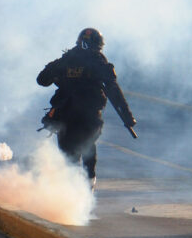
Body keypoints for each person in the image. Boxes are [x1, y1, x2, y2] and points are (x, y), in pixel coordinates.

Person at [37, 27, 136, 188]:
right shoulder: (98, 61)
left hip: (64, 115)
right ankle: (86, 184)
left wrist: (59, 71)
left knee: (69, 156)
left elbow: (42, 80)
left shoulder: (66, 59)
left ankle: (71, 193)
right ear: (98, 45)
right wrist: (128, 118)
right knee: (88, 147)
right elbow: (113, 90)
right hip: (87, 116)